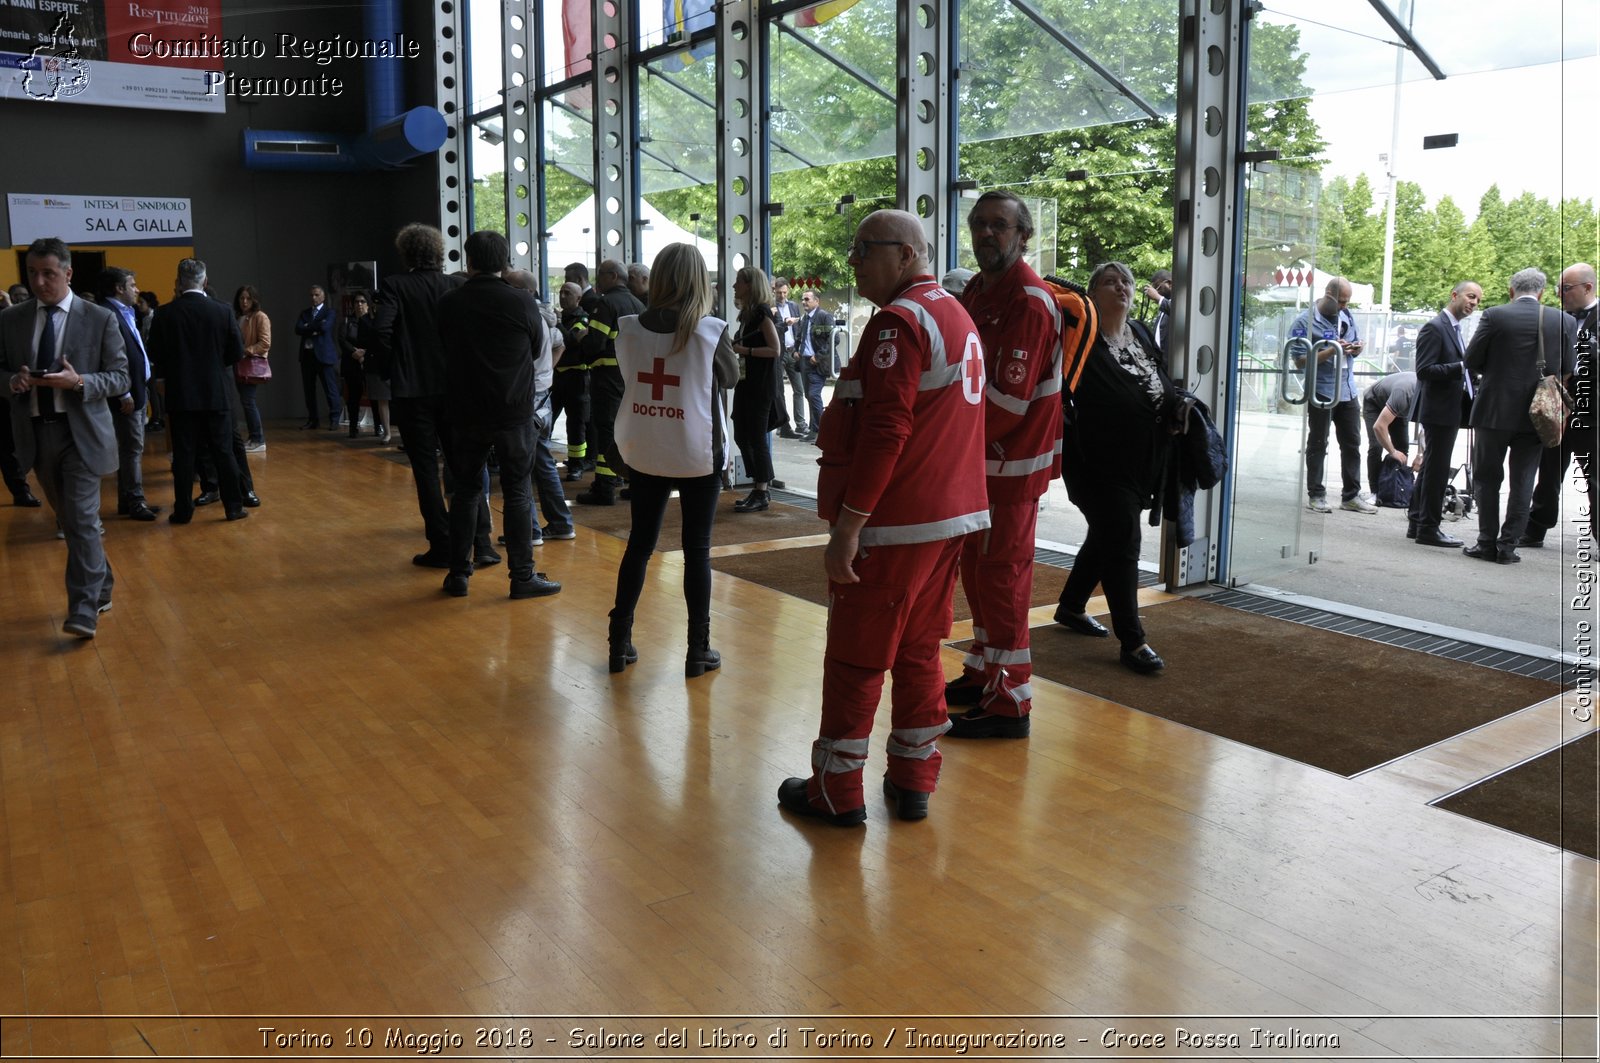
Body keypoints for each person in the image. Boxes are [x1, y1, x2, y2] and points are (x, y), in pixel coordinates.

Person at [777, 209, 989, 827]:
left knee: (855, 656)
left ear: (905, 253)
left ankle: (835, 791)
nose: (852, 262)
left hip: (896, 524)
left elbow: (886, 429)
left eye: (863, 249)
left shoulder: (899, 323)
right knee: (920, 649)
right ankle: (914, 776)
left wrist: (848, 526)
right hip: (949, 517)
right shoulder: (954, 314)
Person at [945, 190, 1067, 737]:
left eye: (999, 225)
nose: (986, 234)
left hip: (1010, 466)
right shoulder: (978, 289)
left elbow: (1008, 403)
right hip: (978, 463)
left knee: (1004, 577)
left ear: (1023, 236)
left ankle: (1011, 704)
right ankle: (983, 671)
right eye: (978, 224)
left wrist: (940, 439)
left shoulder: (1029, 301)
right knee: (977, 570)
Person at [608, 243, 739, 676]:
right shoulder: (710, 330)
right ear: (699, 280)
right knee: (696, 551)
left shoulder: (627, 326)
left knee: (640, 545)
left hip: (643, 447)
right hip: (696, 451)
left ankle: (619, 640)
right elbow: (731, 377)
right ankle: (697, 650)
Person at [1054, 262, 1181, 675]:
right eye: (1109, 282)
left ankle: (1072, 607)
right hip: (1095, 459)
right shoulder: (1082, 338)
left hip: (1142, 457)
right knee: (1123, 540)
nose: (1121, 287)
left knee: (1109, 532)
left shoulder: (1141, 332)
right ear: (1092, 294)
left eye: (1125, 281)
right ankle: (1133, 641)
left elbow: (1159, 379)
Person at [2, 238, 129, 638]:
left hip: (82, 436)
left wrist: (80, 382)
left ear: (68, 274)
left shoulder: (99, 318)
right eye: (33, 274)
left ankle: (83, 609)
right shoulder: (11, 319)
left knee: (81, 518)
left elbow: (122, 377)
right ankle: (102, 583)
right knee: (74, 523)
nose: (40, 282)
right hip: (37, 437)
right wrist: (13, 381)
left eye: (49, 274)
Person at [434, 231, 561, 600]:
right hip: (513, 411)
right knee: (518, 491)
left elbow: (443, 346)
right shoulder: (522, 302)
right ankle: (522, 576)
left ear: (469, 261)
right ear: (504, 263)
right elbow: (538, 346)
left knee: (466, 491)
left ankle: (459, 574)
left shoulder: (449, 303)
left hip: (466, 411)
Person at [372, 223, 492, 569]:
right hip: (455, 390)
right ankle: (481, 542)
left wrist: (390, 369)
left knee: (425, 471)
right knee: (465, 469)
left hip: (412, 392)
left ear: (406, 253)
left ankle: (441, 546)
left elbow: (381, 331)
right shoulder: (456, 285)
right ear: (440, 253)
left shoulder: (395, 286)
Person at [1463, 267, 1577, 563]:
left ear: (1512, 291)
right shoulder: (1563, 320)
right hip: (1537, 413)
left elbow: (1471, 359)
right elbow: (1568, 368)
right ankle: (1507, 547)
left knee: (1487, 478)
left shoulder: (1495, 315)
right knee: (1524, 480)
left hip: (1494, 411)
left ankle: (1486, 542)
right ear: (1540, 293)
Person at [148, 258, 250, 525]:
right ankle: (233, 507)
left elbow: (155, 353)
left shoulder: (164, 313)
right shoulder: (223, 311)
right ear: (205, 281)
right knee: (223, 451)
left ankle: (183, 511)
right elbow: (236, 352)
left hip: (181, 395)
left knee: (184, 456)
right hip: (216, 393)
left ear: (179, 281)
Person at [1525, 263, 1598, 546]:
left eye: (1565, 289)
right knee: (1548, 471)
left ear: (1588, 288)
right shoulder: (1556, 318)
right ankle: (1534, 530)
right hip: (1557, 406)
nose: (1560, 294)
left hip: (1593, 411)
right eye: (1558, 289)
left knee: (1595, 477)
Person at [1291, 276, 1375, 514]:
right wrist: (1331, 351)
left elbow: (1351, 348)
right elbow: (1299, 361)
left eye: (1347, 302)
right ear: (1328, 294)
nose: (1344, 306)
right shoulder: (1305, 322)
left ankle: (1351, 496)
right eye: (1340, 301)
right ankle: (1316, 494)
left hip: (1347, 390)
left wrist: (1356, 348)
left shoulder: (1347, 316)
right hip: (1322, 390)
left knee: (1352, 443)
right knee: (1318, 443)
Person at [505, 269, 577, 543]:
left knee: (521, 464)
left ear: (522, 291)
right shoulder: (547, 319)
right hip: (543, 397)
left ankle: (530, 530)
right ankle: (559, 523)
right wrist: (547, 371)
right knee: (542, 461)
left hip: (527, 398)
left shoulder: (520, 316)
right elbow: (560, 345)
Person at [1410, 281, 1482, 547]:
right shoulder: (1436, 327)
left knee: (1432, 468)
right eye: (1470, 296)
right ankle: (1428, 528)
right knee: (1437, 471)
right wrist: (1463, 367)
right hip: (1438, 411)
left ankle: (1417, 522)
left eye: (1477, 300)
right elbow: (1424, 370)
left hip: (1446, 410)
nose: (1474, 303)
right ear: (1454, 295)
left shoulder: (1452, 327)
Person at [575, 260, 644, 505]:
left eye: (601, 275)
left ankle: (604, 487)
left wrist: (582, 337)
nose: (597, 280)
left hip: (607, 378)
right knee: (630, 431)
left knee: (606, 431)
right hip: (632, 378)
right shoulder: (638, 303)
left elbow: (595, 343)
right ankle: (635, 482)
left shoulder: (606, 303)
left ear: (613, 276)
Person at [97, 267, 159, 521]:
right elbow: (109, 358)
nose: (137, 289)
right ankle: (135, 501)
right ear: (119, 288)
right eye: (132, 285)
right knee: (132, 448)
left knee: (131, 448)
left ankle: (127, 499)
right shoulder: (106, 313)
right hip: (126, 395)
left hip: (136, 390)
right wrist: (124, 393)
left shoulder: (126, 312)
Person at [727, 266, 783, 513]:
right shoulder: (747, 315)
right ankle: (758, 485)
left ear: (750, 285)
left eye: (738, 282)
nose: (734, 286)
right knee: (741, 433)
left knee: (756, 437)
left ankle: (762, 489)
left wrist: (745, 351)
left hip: (760, 385)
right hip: (747, 383)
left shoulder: (761, 313)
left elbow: (775, 349)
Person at [553, 281, 592, 480]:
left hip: (576, 378)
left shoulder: (582, 318)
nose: (562, 296)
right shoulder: (562, 317)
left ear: (578, 298)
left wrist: (558, 322)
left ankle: (576, 465)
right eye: (561, 292)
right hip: (557, 377)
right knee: (547, 420)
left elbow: (570, 341)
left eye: (567, 293)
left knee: (575, 424)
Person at [1361, 370, 1419, 501]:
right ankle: (1375, 493)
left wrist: (1420, 455)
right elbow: (1379, 426)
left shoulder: (1429, 397)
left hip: (1397, 409)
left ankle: (1396, 489)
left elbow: (1425, 430)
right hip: (1375, 403)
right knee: (1377, 446)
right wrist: (1392, 451)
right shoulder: (1404, 393)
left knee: (1402, 447)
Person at [293, 284, 342, 429]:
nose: (313, 298)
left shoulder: (329, 312)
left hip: (324, 356)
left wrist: (308, 327)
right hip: (307, 356)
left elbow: (325, 327)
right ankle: (313, 419)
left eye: (316, 295)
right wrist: (314, 327)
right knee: (309, 391)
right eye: (311, 295)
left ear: (323, 296)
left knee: (330, 389)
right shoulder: (305, 313)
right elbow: (298, 329)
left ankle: (334, 419)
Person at [233, 285, 272, 451]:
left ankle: (258, 439)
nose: (244, 301)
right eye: (242, 298)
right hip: (239, 364)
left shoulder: (260, 317)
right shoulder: (239, 317)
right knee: (246, 401)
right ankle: (253, 437)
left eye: (248, 298)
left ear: (254, 299)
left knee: (248, 402)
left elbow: (265, 343)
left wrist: (246, 351)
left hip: (249, 363)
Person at [795, 288, 833, 437]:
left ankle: (822, 431)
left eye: (807, 299)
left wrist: (818, 356)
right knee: (808, 396)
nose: (804, 302)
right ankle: (814, 430)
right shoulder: (804, 319)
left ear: (817, 301)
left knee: (813, 395)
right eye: (803, 299)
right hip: (804, 363)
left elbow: (833, 339)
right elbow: (800, 337)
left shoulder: (823, 316)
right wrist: (796, 350)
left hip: (818, 364)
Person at [772, 279, 805, 438]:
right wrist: (785, 323)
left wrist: (798, 349)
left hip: (793, 351)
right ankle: (783, 425)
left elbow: (798, 329)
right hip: (780, 351)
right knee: (780, 390)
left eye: (784, 292)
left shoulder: (793, 306)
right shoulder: (772, 308)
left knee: (799, 389)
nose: (782, 295)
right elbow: (773, 329)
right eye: (779, 293)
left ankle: (801, 424)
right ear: (774, 292)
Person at [338, 292, 373, 438]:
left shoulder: (373, 321)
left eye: (362, 301)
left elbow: (377, 339)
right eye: (356, 302)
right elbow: (341, 339)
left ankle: (379, 426)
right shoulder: (347, 321)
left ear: (368, 304)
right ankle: (353, 427)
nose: (359, 304)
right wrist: (354, 352)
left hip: (370, 362)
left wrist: (364, 353)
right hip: (351, 363)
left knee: (375, 396)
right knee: (353, 397)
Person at [1142, 268, 1173, 353]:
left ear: (1169, 284)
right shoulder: (1163, 310)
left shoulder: (1180, 302)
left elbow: (1178, 313)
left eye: (1158, 287)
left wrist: (1158, 298)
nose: (1155, 292)